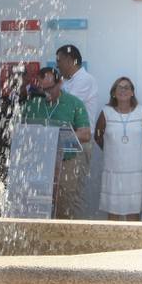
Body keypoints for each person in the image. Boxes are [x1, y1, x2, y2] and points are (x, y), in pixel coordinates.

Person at [21, 66, 91, 219]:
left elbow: (86, 134)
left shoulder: (74, 103)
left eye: (50, 89)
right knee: (35, 205)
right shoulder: (32, 104)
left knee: (65, 206)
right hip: (38, 163)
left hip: (66, 162)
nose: (46, 93)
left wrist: (56, 136)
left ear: (60, 83)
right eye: (42, 89)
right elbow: (22, 132)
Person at [95, 76, 142, 220]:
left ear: (132, 92)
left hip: (135, 171)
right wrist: (111, 148)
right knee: (113, 212)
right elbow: (98, 136)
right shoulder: (106, 112)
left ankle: (132, 242)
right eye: (119, 87)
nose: (123, 90)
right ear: (113, 93)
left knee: (134, 212)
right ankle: (114, 243)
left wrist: (134, 148)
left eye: (127, 87)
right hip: (114, 171)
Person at [57, 44, 100, 128]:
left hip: (82, 137)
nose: (57, 65)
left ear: (69, 61)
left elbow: (67, 105)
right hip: (68, 134)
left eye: (59, 61)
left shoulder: (85, 79)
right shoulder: (65, 80)